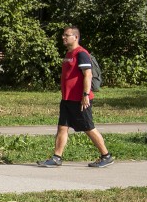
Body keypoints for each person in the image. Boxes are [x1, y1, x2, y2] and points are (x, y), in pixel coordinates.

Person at [39, 26, 113, 168]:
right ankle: (57, 157)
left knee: (88, 127)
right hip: (67, 99)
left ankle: (106, 156)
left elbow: (88, 75)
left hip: (80, 100)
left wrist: (85, 95)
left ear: (76, 37)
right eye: (63, 35)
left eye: (67, 35)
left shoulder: (81, 53)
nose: (63, 37)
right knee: (62, 128)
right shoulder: (69, 54)